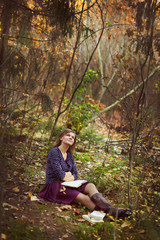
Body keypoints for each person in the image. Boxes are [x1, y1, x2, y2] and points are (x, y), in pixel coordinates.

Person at [38, 128, 131, 219]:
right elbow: (60, 175)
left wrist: (68, 176)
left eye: (73, 137)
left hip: (69, 184)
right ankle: (108, 215)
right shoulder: (54, 152)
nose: (71, 138)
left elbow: (75, 174)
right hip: (54, 186)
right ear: (61, 138)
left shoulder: (70, 155)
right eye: (68, 135)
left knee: (90, 185)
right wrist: (67, 176)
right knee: (85, 198)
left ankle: (113, 211)